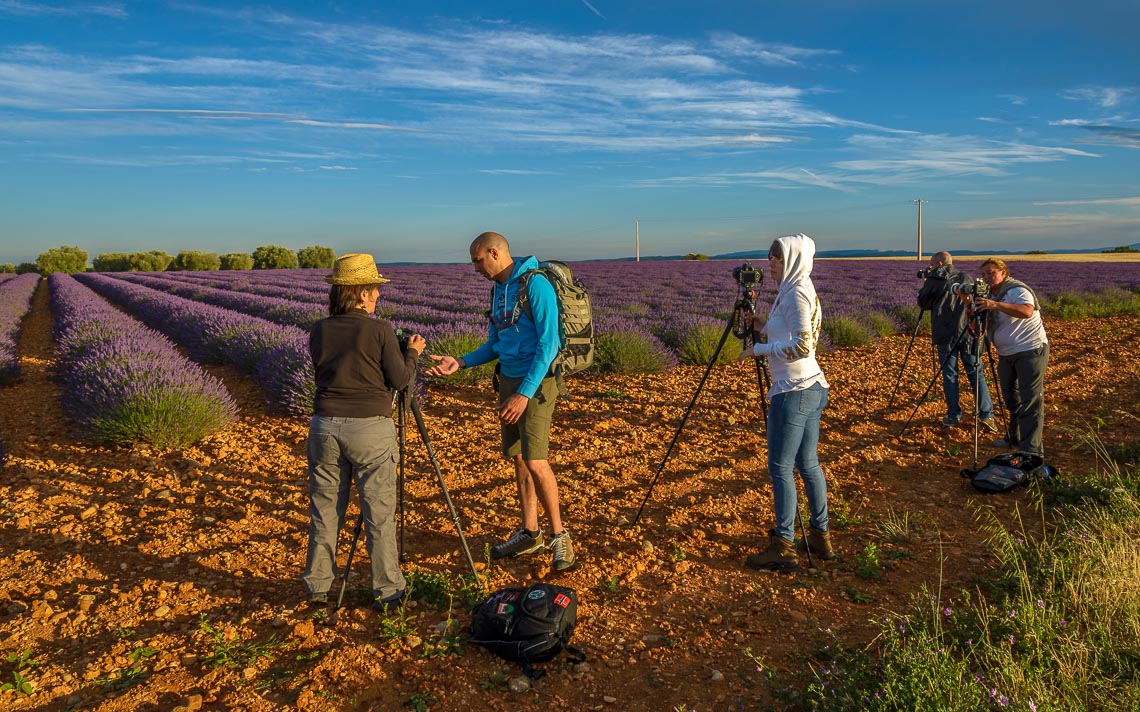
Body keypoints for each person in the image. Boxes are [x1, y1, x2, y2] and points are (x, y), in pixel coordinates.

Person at [424, 232, 575, 571]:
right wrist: (460, 362)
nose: (474, 267)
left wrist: (524, 394)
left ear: (494, 252)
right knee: (519, 459)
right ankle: (530, 533)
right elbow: (495, 343)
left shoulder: (535, 286)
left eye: (478, 260)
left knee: (537, 461)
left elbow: (549, 345)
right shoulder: (498, 291)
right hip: (508, 380)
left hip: (535, 385)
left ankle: (560, 537)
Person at [302, 253, 426, 612]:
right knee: (379, 513)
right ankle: (388, 590)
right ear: (359, 293)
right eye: (373, 290)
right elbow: (400, 380)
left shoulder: (319, 329)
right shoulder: (380, 330)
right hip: (370, 430)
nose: (377, 296)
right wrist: (413, 354)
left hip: (324, 427)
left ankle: (317, 586)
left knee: (325, 511)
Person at [738, 233, 833, 572]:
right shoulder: (794, 290)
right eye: (771, 257)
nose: (771, 264)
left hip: (794, 389)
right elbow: (787, 331)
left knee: (780, 467)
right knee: (807, 463)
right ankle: (820, 536)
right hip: (809, 387)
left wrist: (759, 349)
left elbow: (804, 347)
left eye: (777, 258)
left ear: (793, 258)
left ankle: (784, 544)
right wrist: (760, 324)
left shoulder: (796, 294)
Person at [964, 258, 1049, 456]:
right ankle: (1015, 437)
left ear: (1004, 272)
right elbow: (977, 329)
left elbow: (1027, 311)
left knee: (1031, 401)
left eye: (991, 272)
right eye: (984, 274)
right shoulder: (988, 294)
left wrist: (994, 304)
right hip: (1006, 353)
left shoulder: (1017, 290)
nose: (987, 277)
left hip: (1030, 350)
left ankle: (1031, 450)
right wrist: (968, 304)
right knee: (1011, 400)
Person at [916, 251, 997, 431]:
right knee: (976, 372)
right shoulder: (966, 277)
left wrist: (925, 285)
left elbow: (923, 304)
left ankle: (953, 415)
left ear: (937, 264)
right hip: (968, 332)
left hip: (945, 334)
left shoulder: (934, 280)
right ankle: (987, 415)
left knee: (950, 374)